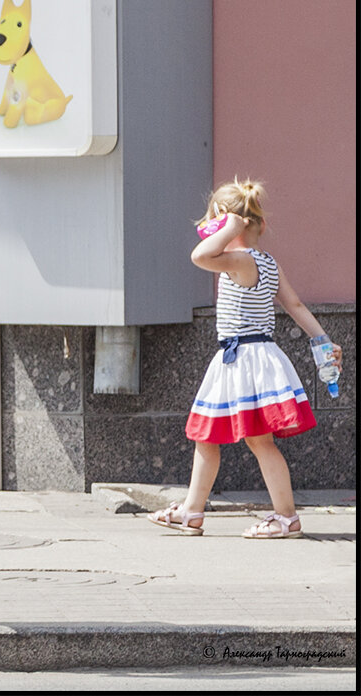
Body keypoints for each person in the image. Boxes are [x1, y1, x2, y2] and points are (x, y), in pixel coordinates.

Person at [147, 177, 342, 539]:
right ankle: (193, 510)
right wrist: (324, 340)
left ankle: (285, 517)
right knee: (209, 437)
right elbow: (295, 305)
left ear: (224, 221)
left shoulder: (237, 259)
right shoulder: (268, 262)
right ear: (262, 224)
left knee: (256, 441)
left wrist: (229, 227)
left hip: (244, 359)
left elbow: (199, 255)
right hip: (251, 357)